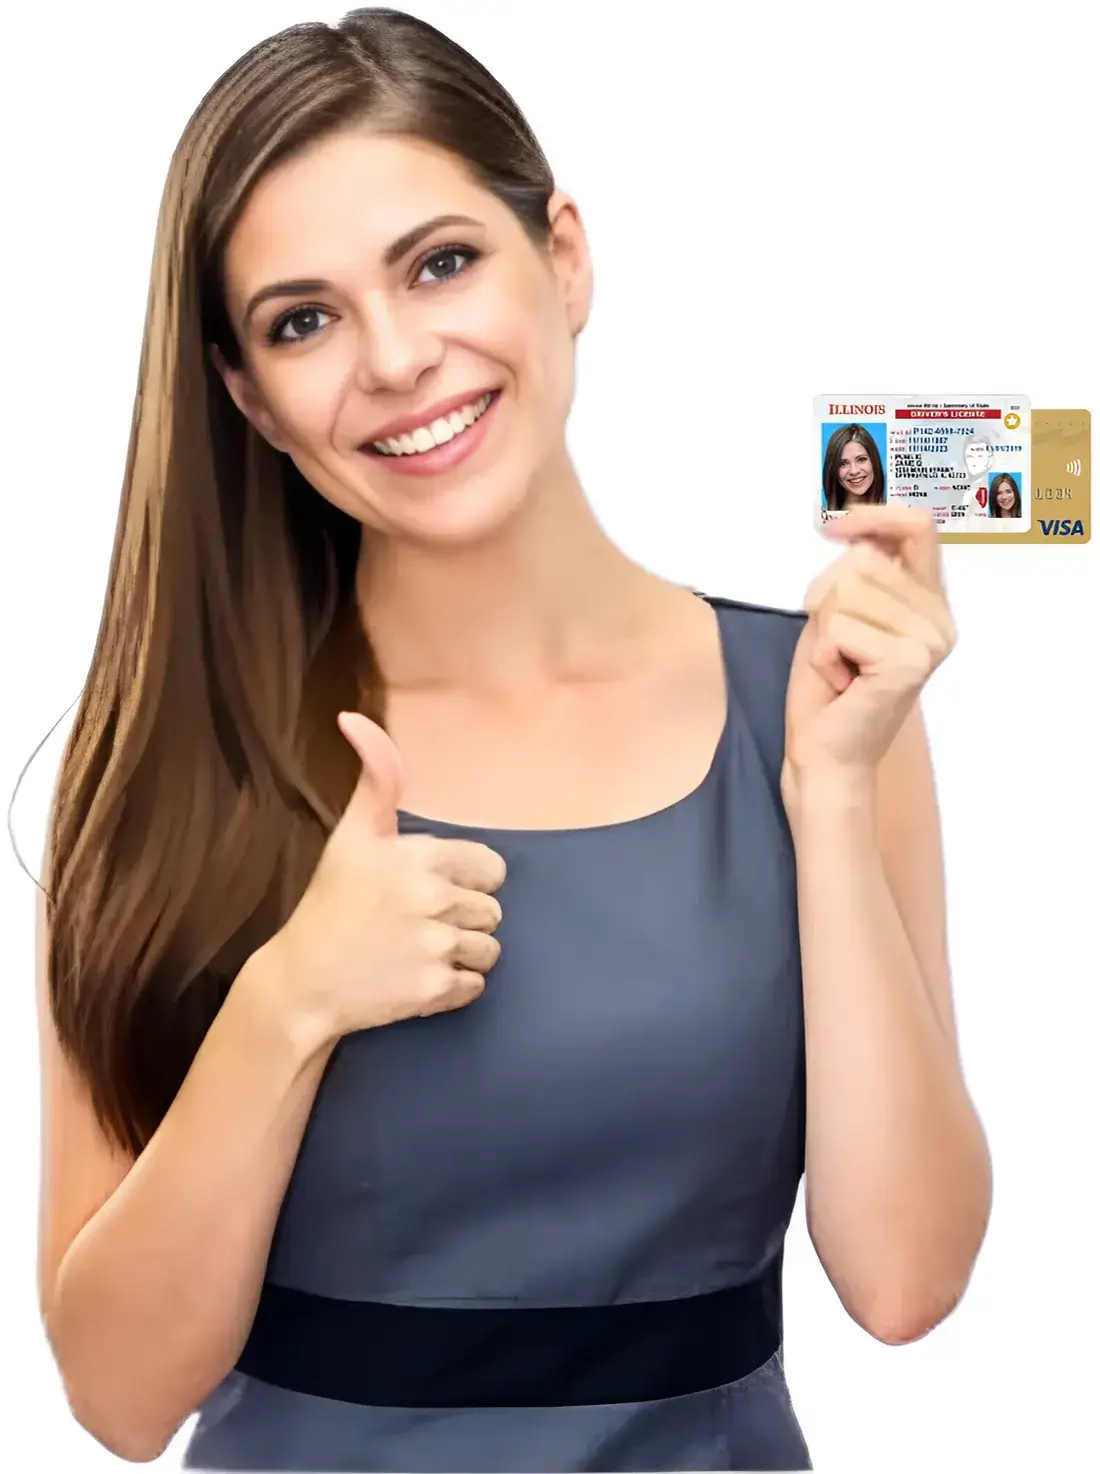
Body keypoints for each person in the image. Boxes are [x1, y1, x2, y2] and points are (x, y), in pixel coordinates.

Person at [31, 9, 992, 1472]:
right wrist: (290, 999)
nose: (400, 356)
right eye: (304, 319)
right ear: (247, 395)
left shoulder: (812, 709)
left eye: (441, 262)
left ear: (566, 256)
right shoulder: (166, 760)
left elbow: (906, 1278)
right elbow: (115, 1395)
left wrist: (835, 793)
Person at [821, 423, 887, 511]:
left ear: (874, 461)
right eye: (843, 464)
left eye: (861, 460)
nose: (854, 471)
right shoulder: (819, 518)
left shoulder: (897, 516)